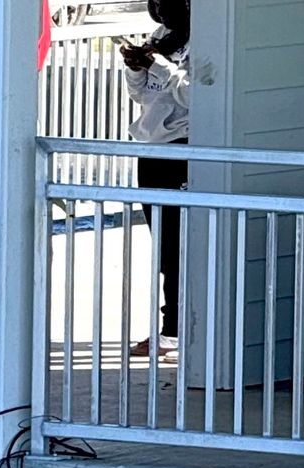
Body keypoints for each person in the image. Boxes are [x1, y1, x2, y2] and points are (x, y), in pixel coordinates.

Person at [122, 0, 190, 359]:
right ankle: (173, 326)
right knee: (164, 242)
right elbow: (141, 95)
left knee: (179, 241)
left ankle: (176, 329)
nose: (163, 8)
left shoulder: (205, 40)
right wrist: (136, 68)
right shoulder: (161, 36)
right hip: (151, 147)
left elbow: (197, 93)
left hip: (182, 147)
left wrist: (159, 65)